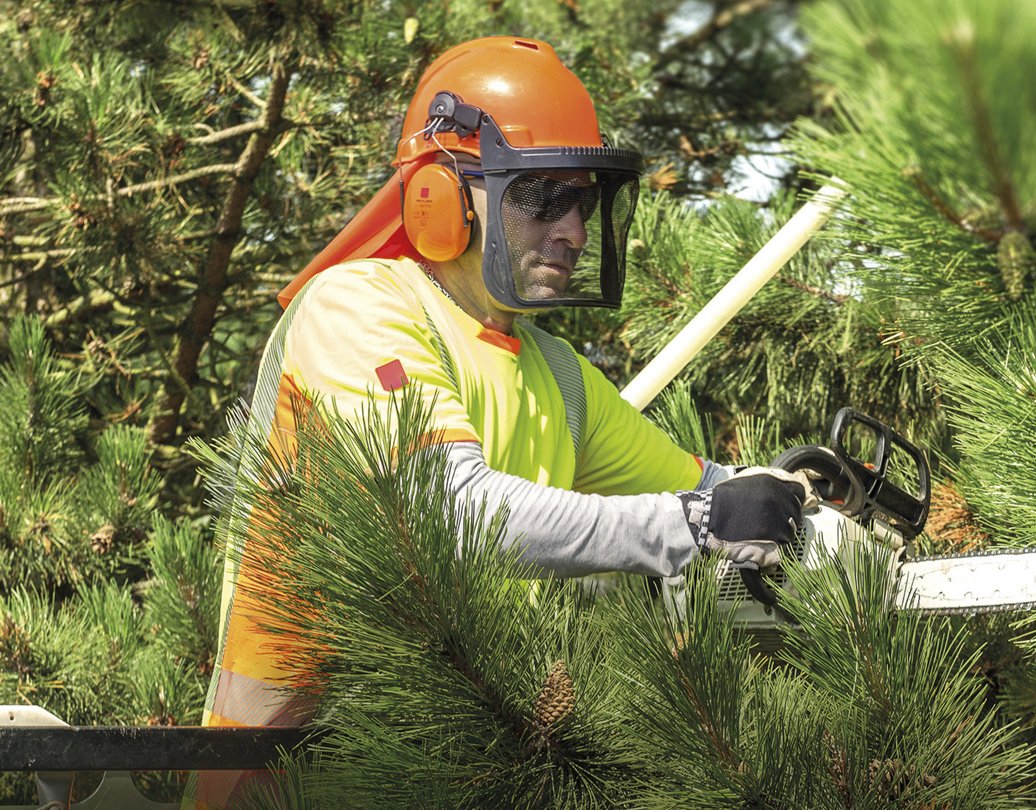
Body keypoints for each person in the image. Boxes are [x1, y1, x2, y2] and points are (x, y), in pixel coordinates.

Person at [189, 36, 813, 808]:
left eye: (583, 201)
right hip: (290, 771)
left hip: (462, 776)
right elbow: (455, 513)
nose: (575, 231)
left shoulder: (555, 373)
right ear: (441, 196)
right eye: (543, 197)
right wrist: (694, 522)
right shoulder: (358, 309)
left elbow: (713, 496)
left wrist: (805, 512)